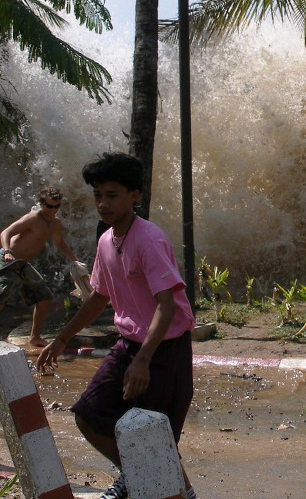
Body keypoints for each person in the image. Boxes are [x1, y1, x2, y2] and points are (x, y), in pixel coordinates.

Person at [37, 153, 198, 499]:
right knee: (89, 415)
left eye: (112, 195)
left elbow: (166, 306)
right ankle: (133, 473)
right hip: (128, 346)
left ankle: (184, 494)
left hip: (163, 349)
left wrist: (144, 360)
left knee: (157, 438)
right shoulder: (106, 240)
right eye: (98, 195)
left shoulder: (149, 240)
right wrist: (61, 338)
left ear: (134, 196)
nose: (102, 204)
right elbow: (98, 297)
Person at [0, 186, 81, 359]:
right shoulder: (32, 218)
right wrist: (7, 251)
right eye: (49, 206)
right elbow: (6, 232)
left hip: (23, 265)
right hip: (8, 261)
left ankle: (34, 337)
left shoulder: (55, 223)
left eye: (56, 206)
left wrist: (74, 259)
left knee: (44, 298)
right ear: (42, 203)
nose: (53, 210)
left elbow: (59, 243)